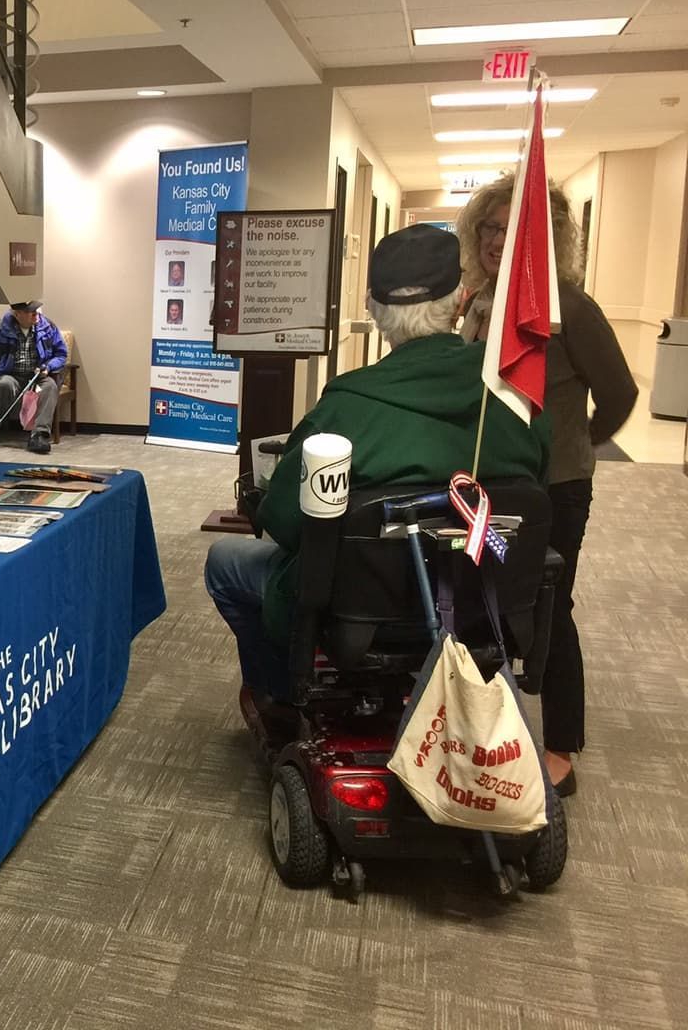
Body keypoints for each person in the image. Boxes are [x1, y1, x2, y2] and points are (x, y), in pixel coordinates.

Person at [205, 225, 550, 708]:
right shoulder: (514, 397)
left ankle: (278, 697)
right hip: (487, 604)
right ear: (461, 300)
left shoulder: (345, 406)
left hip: (356, 615)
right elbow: (539, 490)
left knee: (224, 561)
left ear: (372, 307)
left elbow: (283, 521)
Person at [457, 175, 638, 796]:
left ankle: (560, 746)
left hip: (555, 488)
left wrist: (575, 442)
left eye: (512, 230)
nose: (496, 239)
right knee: (478, 599)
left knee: (548, 605)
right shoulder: (480, 302)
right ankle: (477, 728)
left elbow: (620, 394)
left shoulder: (570, 308)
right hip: (488, 486)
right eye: (489, 226)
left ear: (544, 239)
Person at [0, 299, 69, 455]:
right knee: (4, 384)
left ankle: (39, 435)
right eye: (31, 312)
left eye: (36, 311)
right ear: (17, 314)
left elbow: (61, 354)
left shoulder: (48, 327)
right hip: (10, 375)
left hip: (37, 376)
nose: (36, 314)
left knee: (50, 386)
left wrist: (49, 366)